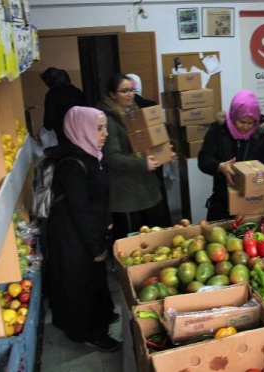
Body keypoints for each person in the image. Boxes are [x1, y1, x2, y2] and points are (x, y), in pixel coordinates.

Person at [44, 106, 120, 352]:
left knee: (95, 278)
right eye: (99, 128)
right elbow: (80, 210)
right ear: (82, 129)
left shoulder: (91, 155)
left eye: (105, 127)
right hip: (74, 235)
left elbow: (97, 196)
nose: (105, 133)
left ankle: (101, 315)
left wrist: (106, 220)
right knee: (82, 282)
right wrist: (96, 245)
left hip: (88, 228)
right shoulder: (72, 164)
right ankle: (90, 332)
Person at [99, 73, 172, 240]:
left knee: (154, 235)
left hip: (146, 185)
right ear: (112, 94)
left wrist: (163, 153)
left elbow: (145, 143)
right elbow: (112, 157)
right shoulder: (108, 120)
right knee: (133, 239)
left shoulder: (134, 112)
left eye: (131, 90)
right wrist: (142, 163)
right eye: (124, 91)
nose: (130, 94)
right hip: (126, 192)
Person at [198, 90, 264, 221]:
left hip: (252, 205)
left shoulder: (259, 135)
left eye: (250, 123)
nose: (246, 127)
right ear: (234, 116)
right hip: (222, 203)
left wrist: (263, 178)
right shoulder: (218, 130)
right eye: (241, 121)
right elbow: (203, 160)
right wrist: (219, 166)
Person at [40, 67, 88, 144]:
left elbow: (49, 117)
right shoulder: (77, 92)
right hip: (79, 128)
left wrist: (46, 130)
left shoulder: (52, 95)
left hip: (62, 130)